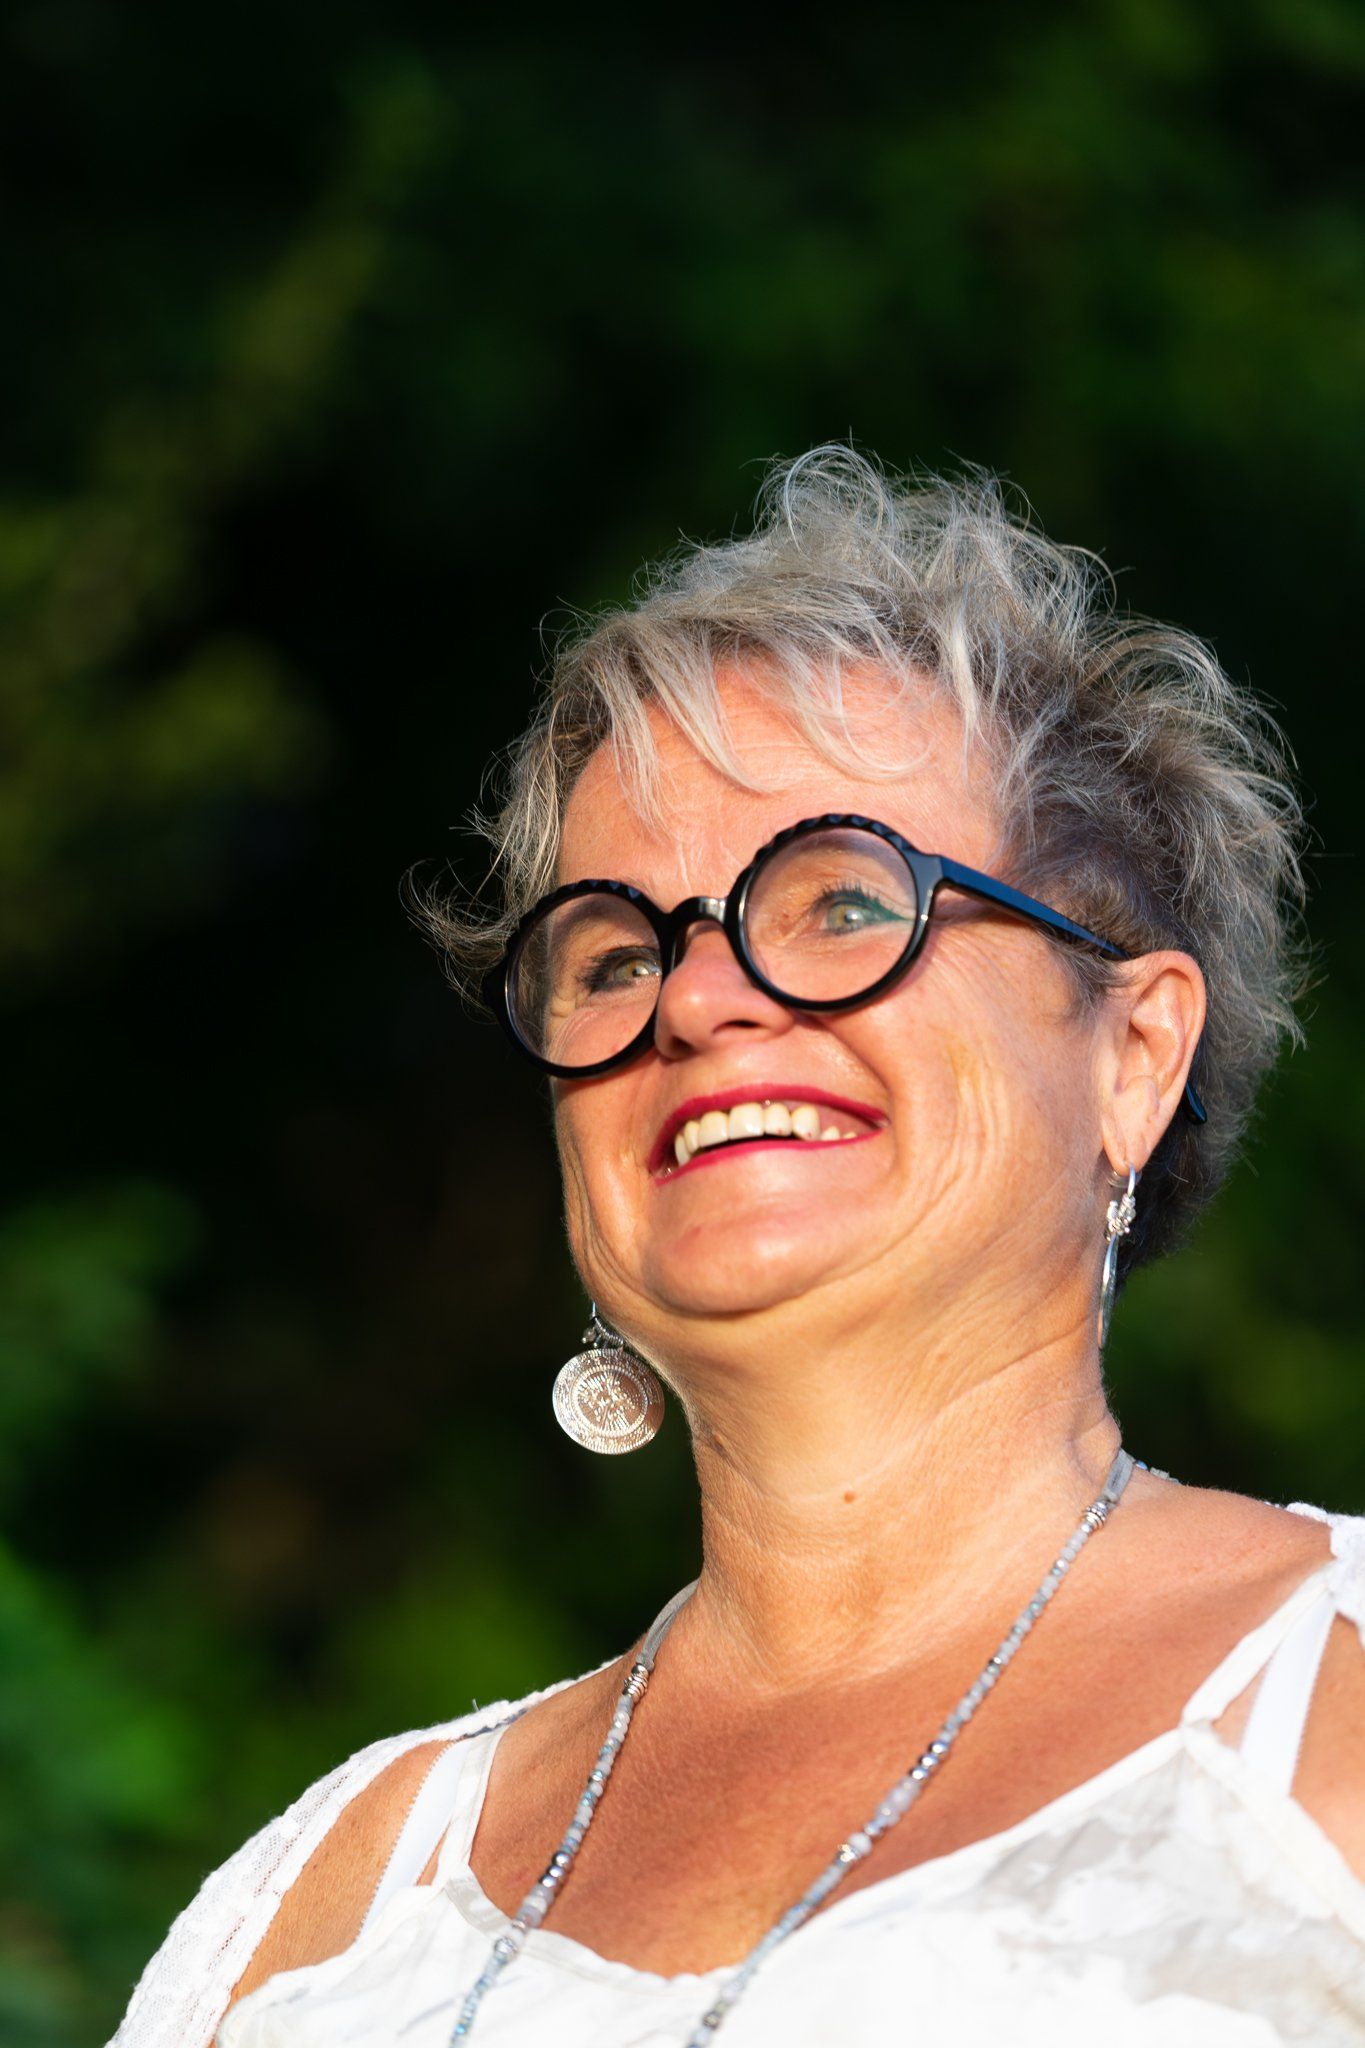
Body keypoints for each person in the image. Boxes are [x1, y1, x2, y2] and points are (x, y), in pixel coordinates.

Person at [111, 449, 1365, 2048]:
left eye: (841, 903)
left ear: (1130, 1055)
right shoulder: (327, 1898)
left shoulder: (1332, 1696)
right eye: (613, 955)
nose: (695, 1000)